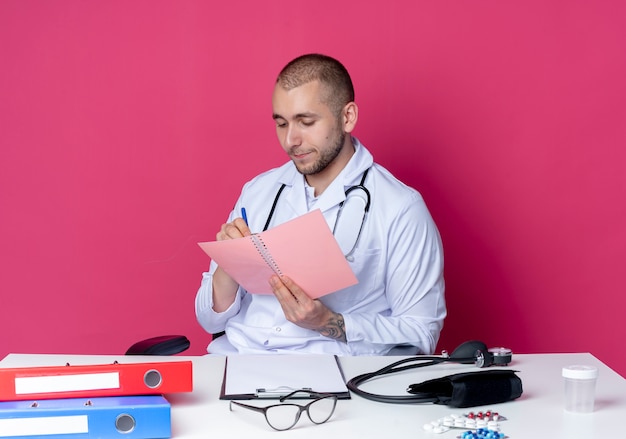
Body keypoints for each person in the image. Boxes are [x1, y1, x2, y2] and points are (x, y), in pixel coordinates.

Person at [195, 54, 445, 355]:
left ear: (347, 117)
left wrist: (328, 321)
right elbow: (209, 320)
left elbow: (422, 332)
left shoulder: (400, 208)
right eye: (281, 123)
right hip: (237, 362)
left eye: (306, 121)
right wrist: (230, 264)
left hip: (334, 380)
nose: (291, 140)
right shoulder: (258, 191)